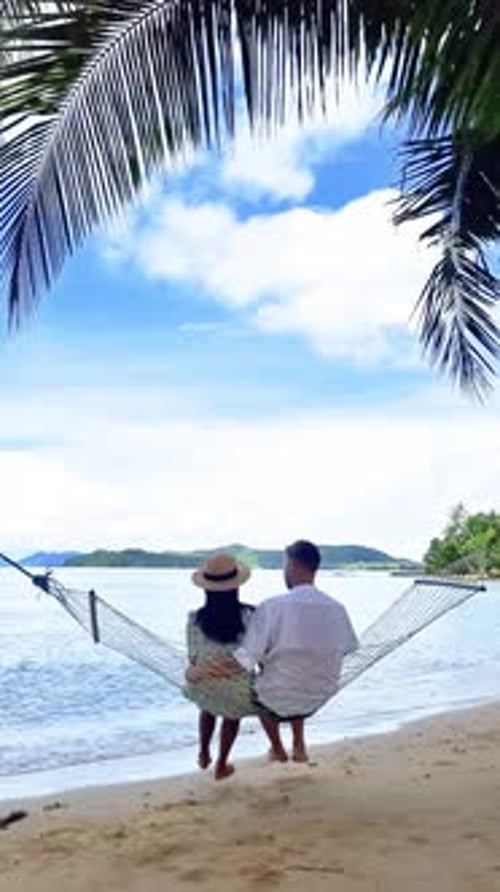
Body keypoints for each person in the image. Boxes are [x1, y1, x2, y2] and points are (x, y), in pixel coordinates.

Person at [189, 540, 358, 764]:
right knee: (290, 666)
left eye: (285, 565)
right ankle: (297, 743)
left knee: (268, 677)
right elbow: (348, 648)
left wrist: (199, 671)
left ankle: (276, 748)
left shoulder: (272, 607)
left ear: (293, 566)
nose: (284, 571)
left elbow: (243, 662)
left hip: (276, 699)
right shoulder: (337, 608)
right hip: (320, 694)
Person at [184, 552, 254, 780]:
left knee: (209, 704)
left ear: (206, 588)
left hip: (204, 685)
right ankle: (222, 764)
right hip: (238, 688)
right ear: (236, 587)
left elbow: (193, 658)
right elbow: (254, 653)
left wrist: (205, 669)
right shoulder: (249, 616)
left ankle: (203, 752)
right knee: (232, 711)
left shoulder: (195, 618)